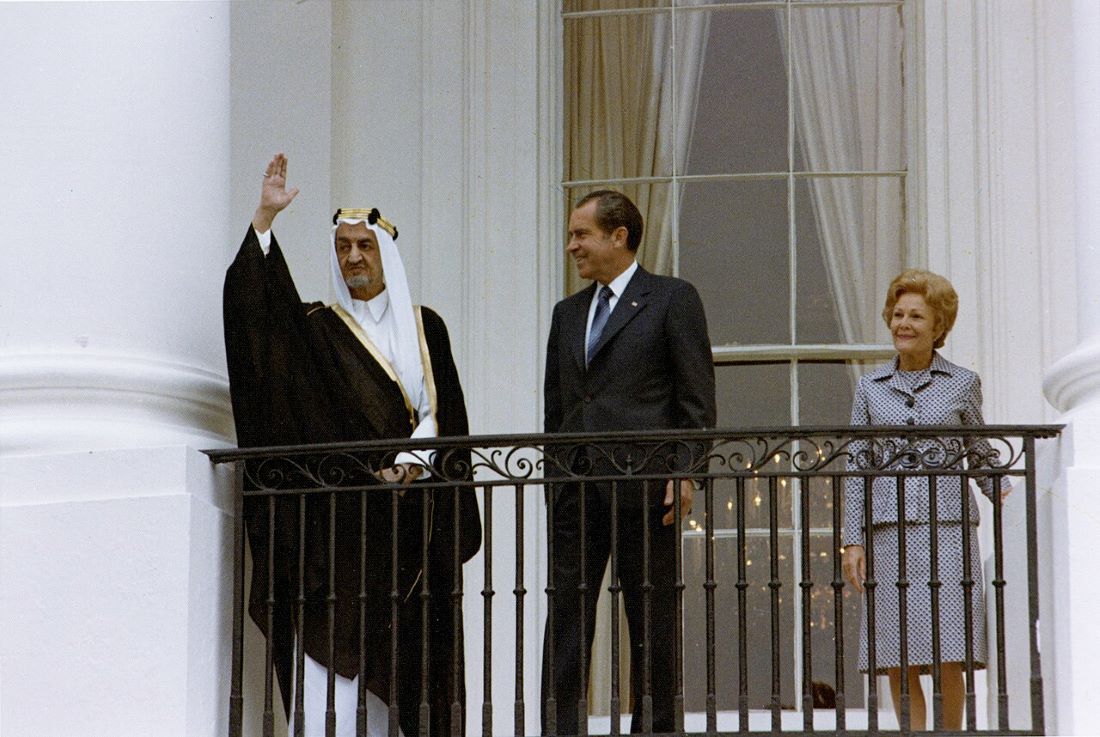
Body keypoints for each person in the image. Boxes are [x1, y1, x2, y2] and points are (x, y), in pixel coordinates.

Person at [223, 153, 481, 737]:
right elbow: (258, 323)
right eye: (343, 248)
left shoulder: (425, 326)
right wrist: (265, 221)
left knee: (418, 682)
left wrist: (413, 462)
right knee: (330, 684)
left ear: (385, 254)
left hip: (416, 527)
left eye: (364, 246)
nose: (353, 257)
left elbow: (442, 414)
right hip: (341, 534)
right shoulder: (318, 329)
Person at [541, 190, 716, 735]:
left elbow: (697, 401)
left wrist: (685, 471)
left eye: (581, 234)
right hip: (576, 491)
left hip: (646, 489)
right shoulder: (567, 313)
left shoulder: (670, 299)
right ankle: (559, 729)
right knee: (565, 621)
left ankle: (657, 729)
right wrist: (555, 483)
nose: (572, 246)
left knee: (652, 620)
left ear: (619, 236)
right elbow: (557, 408)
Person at [841, 269, 1010, 731]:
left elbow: (978, 452)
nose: (904, 324)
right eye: (898, 314)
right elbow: (858, 462)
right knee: (895, 653)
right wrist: (850, 541)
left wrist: (1011, 500)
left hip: (947, 530)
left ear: (938, 327)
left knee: (948, 649)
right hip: (887, 532)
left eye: (916, 315)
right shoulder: (870, 388)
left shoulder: (961, 383)